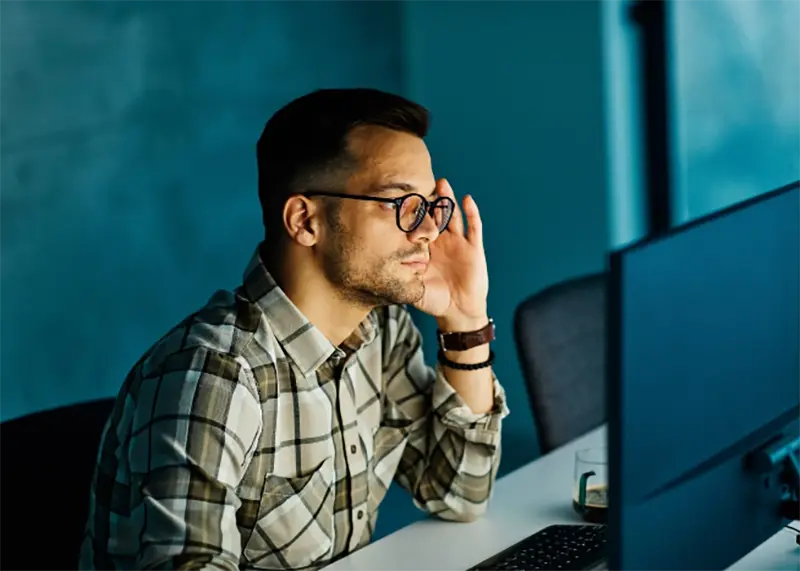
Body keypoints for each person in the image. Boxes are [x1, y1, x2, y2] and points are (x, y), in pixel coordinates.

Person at [80, 88, 509, 571]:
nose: (427, 230)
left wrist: (465, 319)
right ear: (304, 220)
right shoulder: (214, 375)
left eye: (430, 205)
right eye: (401, 204)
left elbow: (460, 494)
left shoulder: (382, 329)